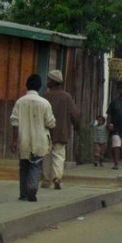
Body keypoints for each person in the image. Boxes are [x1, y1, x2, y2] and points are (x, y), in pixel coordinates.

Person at [10, 74, 56, 202]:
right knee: (36, 165)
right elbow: (50, 123)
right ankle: (32, 189)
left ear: (27, 85)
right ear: (39, 87)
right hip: (39, 140)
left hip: (23, 139)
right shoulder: (45, 103)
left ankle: (23, 193)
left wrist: (14, 140)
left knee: (24, 166)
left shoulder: (20, 102)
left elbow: (14, 122)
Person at [42, 70, 81, 190]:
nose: (47, 82)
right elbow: (75, 115)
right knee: (58, 155)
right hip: (61, 132)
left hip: (46, 132)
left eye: (49, 80)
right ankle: (57, 178)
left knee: (46, 156)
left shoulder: (45, 96)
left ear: (53, 82)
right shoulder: (67, 97)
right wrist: (77, 128)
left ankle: (46, 180)